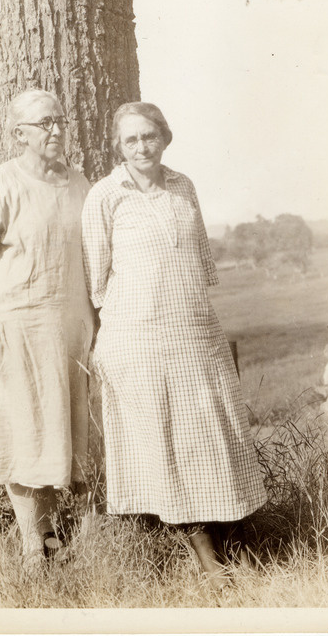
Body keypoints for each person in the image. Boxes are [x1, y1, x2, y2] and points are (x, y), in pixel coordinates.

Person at [81, 102, 267, 592]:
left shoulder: (184, 186)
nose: (142, 147)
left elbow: (202, 263)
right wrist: (123, 326)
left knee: (215, 439)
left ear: (164, 137)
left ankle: (237, 543)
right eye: (130, 140)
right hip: (138, 339)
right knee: (168, 445)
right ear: (117, 146)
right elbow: (96, 281)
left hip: (197, 334)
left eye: (149, 136)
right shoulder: (105, 196)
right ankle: (209, 563)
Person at [0, 89, 94, 573]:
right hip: (18, 330)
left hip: (71, 331)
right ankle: (32, 548)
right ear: (20, 134)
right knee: (24, 434)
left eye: (60, 119)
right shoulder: (2, 182)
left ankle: (67, 540)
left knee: (65, 432)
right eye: (44, 123)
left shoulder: (80, 183)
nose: (57, 129)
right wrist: (2, 313)